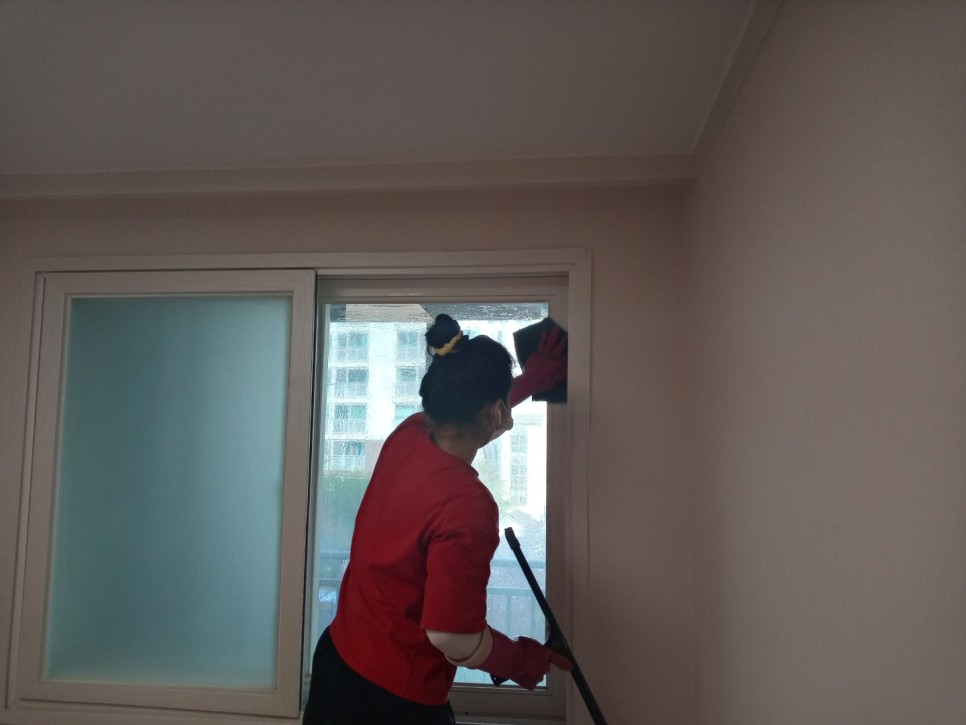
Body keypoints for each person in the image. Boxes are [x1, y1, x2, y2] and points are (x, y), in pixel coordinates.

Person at [303, 313, 572, 724]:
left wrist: (529, 382)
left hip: (337, 661)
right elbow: (451, 636)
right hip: (392, 700)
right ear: (498, 412)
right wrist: (521, 660)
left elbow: (463, 413)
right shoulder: (468, 504)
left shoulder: (406, 435)